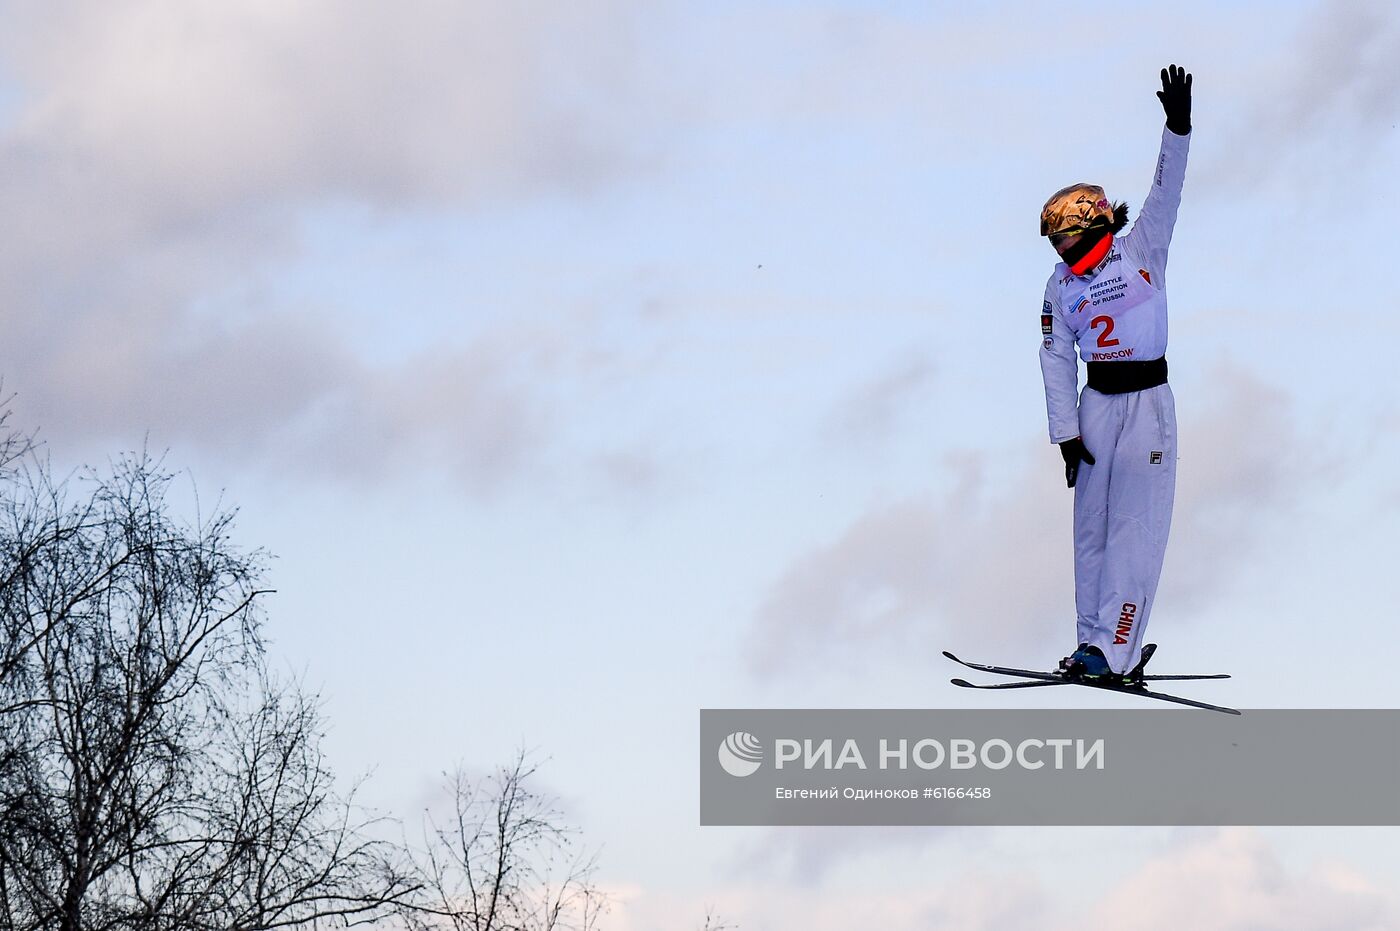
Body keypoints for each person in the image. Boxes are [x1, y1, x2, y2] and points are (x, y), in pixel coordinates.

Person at [1037, 64, 1192, 681]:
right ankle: (1087, 646)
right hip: (1096, 405)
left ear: (1091, 226)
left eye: (1062, 238)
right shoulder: (1058, 287)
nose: (1057, 251)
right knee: (1091, 530)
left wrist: (1177, 129)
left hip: (1147, 405)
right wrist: (1066, 433)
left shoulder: (1143, 246)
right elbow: (1053, 356)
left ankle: (1117, 649)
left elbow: (1167, 190)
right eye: (1052, 243)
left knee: (1134, 527)